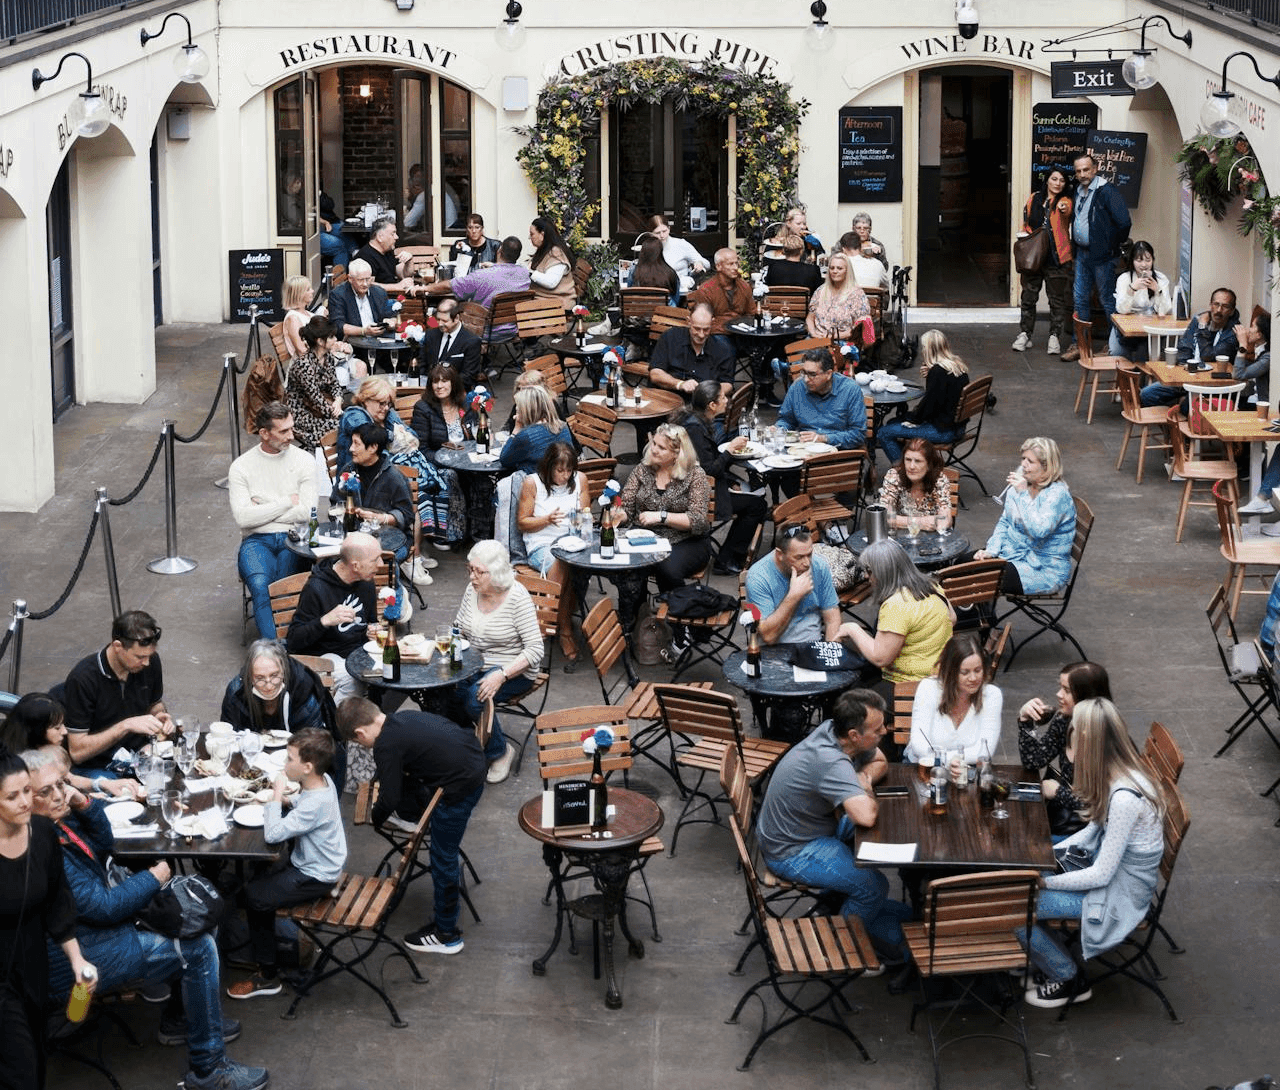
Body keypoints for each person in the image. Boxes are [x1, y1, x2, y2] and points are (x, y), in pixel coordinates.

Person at [23, 747, 268, 1090]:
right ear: (20, 797)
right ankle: (208, 1070)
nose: (58, 794)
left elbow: (105, 844)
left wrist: (84, 802)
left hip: (89, 935)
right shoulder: (41, 843)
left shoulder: (59, 818)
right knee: (198, 947)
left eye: (61, 784)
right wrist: (154, 877)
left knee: (197, 919)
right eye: (45, 791)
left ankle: (181, 1019)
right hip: (73, 961)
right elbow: (105, 907)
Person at [1018, 698, 1165, 1009]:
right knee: (1023, 880)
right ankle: (1049, 959)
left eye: (1074, 738)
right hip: (1109, 875)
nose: (1070, 748)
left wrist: (1044, 882)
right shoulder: (1119, 773)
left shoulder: (1124, 797)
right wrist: (1044, 855)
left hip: (1118, 896)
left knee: (1016, 905)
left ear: (1089, 743)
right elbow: (1092, 831)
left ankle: (1067, 976)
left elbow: (1101, 875)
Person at [754, 690, 913, 959]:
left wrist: (862, 777)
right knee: (873, 886)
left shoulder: (833, 731)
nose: (885, 731)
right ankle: (845, 949)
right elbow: (866, 816)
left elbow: (880, 761)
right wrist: (864, 790)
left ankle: (842, 904)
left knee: (877, 838)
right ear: (854, 735)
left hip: (807, 828)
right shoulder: (830, 761)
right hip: (792, 850)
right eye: (877, 729)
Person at [337, 699, 485, 956]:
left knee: (442, 856)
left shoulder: (386, 745)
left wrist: (376, 818)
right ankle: (446, 928)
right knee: (438, 842)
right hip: (471, 762)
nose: (362, 744)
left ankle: (446, 934)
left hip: (459, 789)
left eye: (359, 742)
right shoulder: (402, 717)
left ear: (359, 734)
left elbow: (390, 799)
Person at [0, 744, 97, 1090]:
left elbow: (57, 902)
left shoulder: (41, 834)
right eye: (13, 796)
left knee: (36, 1060)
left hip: (31, 964)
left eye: (28, 790)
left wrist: (76, 960)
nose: (26, 802)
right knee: (21, 1070)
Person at [227, 728, 347, 1000]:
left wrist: (276, 795)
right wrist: (287, 800)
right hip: (317, 863)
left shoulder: (314, 803)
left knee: (255, 897)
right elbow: (303, 805)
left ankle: (267, 975)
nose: (284, 765)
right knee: (259, 877)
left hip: (316, 874)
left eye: (289, 759)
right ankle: (258, 947)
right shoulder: (322, 780)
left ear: (307, 767)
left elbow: (273, 834)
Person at [613, 424, 713, 648]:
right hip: (646, 538)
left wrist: (661, 516)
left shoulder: (695, 476)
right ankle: (635, 623)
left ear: (677, 453)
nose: (653, 450)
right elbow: (627, 506)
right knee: (628, 568)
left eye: (661, 448)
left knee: (665, 566)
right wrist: (619, 514)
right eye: (654, 444)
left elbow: (697, 521)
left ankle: (682, 624)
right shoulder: (643, 469)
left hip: (688, 540)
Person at [452, 540, 543, 785]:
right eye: (470, 569)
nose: (472, 576)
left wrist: (501, 674)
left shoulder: (516, 597)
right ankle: (465, 747)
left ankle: (500, 752)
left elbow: (535, 650)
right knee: (440, 693)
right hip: (474, 663)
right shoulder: (472, 590)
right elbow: (458, 629)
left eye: (479, 571)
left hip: (513, 670)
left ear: (498, 572)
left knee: (475, 698)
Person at [229, 402, 317, 639]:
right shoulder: (241, 467)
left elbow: (308, 513)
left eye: (291, 428)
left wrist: (263, 506)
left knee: (281, 588)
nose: (291, 436)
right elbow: (243, 518)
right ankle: (278, 651)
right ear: (264, 434)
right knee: (260, 587)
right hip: (256, 541)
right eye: (283, 431)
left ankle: (278, 651)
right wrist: (288, 501)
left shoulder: (305, 460)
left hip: (296, 537)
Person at [838, 539, 954, 705]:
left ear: (884, 572)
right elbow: (952, 619)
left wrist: (852, 628)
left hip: (910, 686)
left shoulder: (896, 605)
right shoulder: (931, 585)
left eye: (869, 571)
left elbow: (880, 658)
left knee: (849, 706)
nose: (865, 576)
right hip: (941, 674)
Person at [675, 381, 768, 575]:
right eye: (723, 398)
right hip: (697, 495)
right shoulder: (695, 429)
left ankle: (731, 555)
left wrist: (729, 476)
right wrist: (731, 450)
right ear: (712, 405)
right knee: (757, 505)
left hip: (699, 484)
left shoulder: (696, 421)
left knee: (749, 490)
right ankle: (727, 559)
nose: (727, 401)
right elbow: (710, 469)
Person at [62, 610, 173, 772]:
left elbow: (154, 703)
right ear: (117, 647)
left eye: (150, 655)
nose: (147, 663)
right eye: (139, 657)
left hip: (141, 752)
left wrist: (158, 716)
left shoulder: (150, 662)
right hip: (100, 764)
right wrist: (125, 726)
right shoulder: (82, 679)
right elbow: (77, 752)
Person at [1017, 661, 1113, 837]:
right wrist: (1025, 720)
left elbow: (1103, 807)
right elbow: (1034, 760)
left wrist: (1058, 792)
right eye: (1060, 687)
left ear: (1086, 697)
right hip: (1065, 816)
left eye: (1067, 691)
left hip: (1089, 830)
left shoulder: (1104, 742)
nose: (1058, 694)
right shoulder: (1064, 720)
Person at [517, 442, 590, 667]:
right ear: (548, 467)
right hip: (542, 545)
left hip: (573, 543)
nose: (565, 475)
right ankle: (565, 629)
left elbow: (584, 515)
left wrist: (583, 520)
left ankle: (546, 617)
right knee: (563, 561)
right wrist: (546, 519)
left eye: (569, 470)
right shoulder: (533, 483)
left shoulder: (580, 480)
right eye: (560, 470)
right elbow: (522, 522)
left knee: (569, 562)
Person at [285, 532, 380, 702]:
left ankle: (376, 718)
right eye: (375, 560)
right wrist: (324, 621)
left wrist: (374, 630)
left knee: (395, 669)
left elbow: (371, 621)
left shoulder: (366, 582)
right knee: (352, 679)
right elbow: (293, 640)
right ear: (355, 566)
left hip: (359, 653)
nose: (380, 564)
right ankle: (335, 725)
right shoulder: (316, 589)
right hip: (326, 656)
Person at [974, 436, 1076, 594]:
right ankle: (982, 616)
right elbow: (1005, 522)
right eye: (1023, 459)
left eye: (1030, 461)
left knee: (973, 579)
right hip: (1012, 554)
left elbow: (1038, 531)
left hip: (1044, 569)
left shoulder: (1057, 495)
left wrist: (1023, 495)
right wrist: (991, 550)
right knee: (963, 565)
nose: (1023, 464)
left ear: (1046, 466)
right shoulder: (1023, 484)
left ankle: (982, 617)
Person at [0, 693, 143, 802]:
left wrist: (105, 784)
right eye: (57, 728)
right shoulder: (19, 769)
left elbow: (69, 778)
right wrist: (86, 798)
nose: (64, 731)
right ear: (37, 731)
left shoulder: (43, 747)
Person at [1062, 153, 1130, 363]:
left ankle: (1113, 345)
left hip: (1102, 257)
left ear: (1095, 168)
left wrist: (1109, 246)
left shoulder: (1107, 192)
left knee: (1107, 300)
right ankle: (1079, 344)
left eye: (1086, 169)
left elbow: (1124, 223)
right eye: (1078, 171)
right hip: (1082, 254)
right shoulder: (1078, 191)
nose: (1082, 174)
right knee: (1080, 299)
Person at [903, 633, 1003, 771]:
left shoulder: (991, 695)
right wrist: (951, 761)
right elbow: (919, 746)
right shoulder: (928, 688)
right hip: (924, 767)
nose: (973, 678)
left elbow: (984, 752)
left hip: (968, 770)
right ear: (951, 671)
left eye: (978, 670)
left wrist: (947, 759)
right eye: (965, 672)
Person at [1138, 287, 1242, 408]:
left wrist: (1202, 328)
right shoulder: (1197, 320)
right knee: (1146, 395)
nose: (1219, 310)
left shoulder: (1233, 332)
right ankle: (1172, 422)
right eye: (1216, 304)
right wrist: (1185, 366)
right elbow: (1183, 348)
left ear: (1232, 311)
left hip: (1212, 385)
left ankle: (1180, 413)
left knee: (1187, 407)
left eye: (1225, 306)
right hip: (1187, 376)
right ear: (1210, 305)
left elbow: (1208, 356)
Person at [220, 639, 339, 743]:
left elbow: (314, 743)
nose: (269, 686)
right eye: (259, 678)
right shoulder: (236, 692)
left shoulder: (303, 690)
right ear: (249, 676)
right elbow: (228, 737)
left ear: (284, 670)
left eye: (274, 675)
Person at [877, 329, 968, 462]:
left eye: (924, 347)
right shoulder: (956, 366)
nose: (923, 351)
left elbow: (929, 406)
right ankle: (914, 462)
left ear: (930, 350)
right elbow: (938, 398)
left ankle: (903, 472)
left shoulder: (938, 372)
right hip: (957, 427)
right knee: (893, 422)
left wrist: (911, 418)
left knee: (884, 432)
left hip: (943, 431)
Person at [409, 362, 475, 544]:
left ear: (453, 383)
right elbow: (420, 450)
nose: (439, 386)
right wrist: (447, 460)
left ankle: (478, 528)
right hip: (435, 465)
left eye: (444, 381)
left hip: (466, 460)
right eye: (435, 382)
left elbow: (476, 436)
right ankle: (453, 531)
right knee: (450, 475)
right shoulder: (423, 408)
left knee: (483, 479)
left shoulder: (466, 405)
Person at [1011, 169, 1074, 355]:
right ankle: (1025, 334)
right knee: (1028, 298)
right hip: (1034, 257)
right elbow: (1027, 222)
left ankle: (1054, 336)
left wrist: (1062, 208)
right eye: (1054, 179)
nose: (1057, 183)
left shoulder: (1065, 201)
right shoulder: (1034, 198)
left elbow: (1066, 209)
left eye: (1062, 180)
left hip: (1057, 258)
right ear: (1047, 180)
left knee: (1056, 300)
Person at [746, 524, 841, 645]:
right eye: (799, 557)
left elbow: (832, 618)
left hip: (811, 646)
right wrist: (793, 596)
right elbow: (768, 636)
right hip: (773, 652)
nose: (807, 563)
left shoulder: (819, 566)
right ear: (779, 555)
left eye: (810, 554)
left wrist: (832, 650)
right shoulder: (758, 577)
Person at [428, 236, 531, 344]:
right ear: (518, 255)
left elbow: (449, 285)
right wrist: (494, 267)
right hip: (511, 331)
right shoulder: (524, 274)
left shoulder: (482, 276)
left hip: (482, 331)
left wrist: (425, 287)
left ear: (499, 251)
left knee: (443, 312)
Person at [336, 422, 414, 561]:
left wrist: (380, 518)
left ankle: (392, 583)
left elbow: (407, 515)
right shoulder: (349, 471)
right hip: (354, 538)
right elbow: (336, 503)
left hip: (389, 538)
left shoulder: (394, 477)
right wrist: (347, 513)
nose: (351, 448)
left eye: (356, 444)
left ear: (373, 447)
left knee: (376, 560)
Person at [778, 347, 867, 450]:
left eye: (812, 374)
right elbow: (786, 420)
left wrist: (824, 438)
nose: (806, 379)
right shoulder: (798, 386)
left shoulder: (850, 390)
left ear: (828, 374)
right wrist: (778, 430)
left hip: (838, 451)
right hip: (803, 449)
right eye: (804, 373)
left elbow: (858, 434)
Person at [647, 301, 734, 399]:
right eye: (696, 329)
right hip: (668, 397)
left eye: (706, 329)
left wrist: (707, 393)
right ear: (689, 322)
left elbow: (728, 383)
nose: (701, 335)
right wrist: (679, 384)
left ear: (712, 323)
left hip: (702, 404)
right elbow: (655, 373)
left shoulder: (723, 349)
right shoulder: (670, 337)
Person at [286, 316, 345, 452]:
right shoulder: (303, 365)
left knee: (347, 422)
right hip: (302, 414)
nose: (335, 340)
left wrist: (338, 400)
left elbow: (335, 384)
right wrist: (339, 413)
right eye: (331, 337)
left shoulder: (328, 357)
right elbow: (316, 398)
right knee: (343, 425)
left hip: (323, 408)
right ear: (320, 341)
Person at [1108, 240, 1172, 360]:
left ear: (1153, 260)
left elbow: (1167, 311)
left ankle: (1139, 377)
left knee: (1143, 353)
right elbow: (1121, 310)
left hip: (1151, 329)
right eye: (1139, 260)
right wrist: (1132, 289)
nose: (1144, 265)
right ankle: (1130, 377)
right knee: (1119, 355)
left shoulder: (1161, 278)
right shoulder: (1124, 279)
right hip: (1127, 329)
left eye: (1148, 260)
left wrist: (1158, 291)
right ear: (1132, 261)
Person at [877, 438, 953, 532]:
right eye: (908, 460)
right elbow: (883, 515)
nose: (911, 466)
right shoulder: (894, 476)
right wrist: (919, 522)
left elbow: (946, 518)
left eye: (918, 461)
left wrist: (942, 521)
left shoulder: (939, 480)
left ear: (929, 465)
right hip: (900, 537)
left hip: (930, 539)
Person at [500, 385, 575, 476]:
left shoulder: (527, 435)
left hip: (536, 485)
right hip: (562, 481)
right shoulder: (563, 426)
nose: (515, 413)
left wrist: (517, 428)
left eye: (518, 409)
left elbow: (505, 460)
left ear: (526, 410)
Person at [418, 298, 482, 388]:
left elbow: (469, 376)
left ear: (456, 318)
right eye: (438, 319)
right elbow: (422, 364)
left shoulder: (471, 341)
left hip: (456, 391)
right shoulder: (431, 335)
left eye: (444, 321)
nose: (440, 324)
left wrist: (443, 386)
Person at [688, 247, 753, 335]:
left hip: (742, 333)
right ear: (719, 266)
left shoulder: (744, 286)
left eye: (736, 263)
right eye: (730, 264)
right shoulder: (706, 290)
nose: (735, 267)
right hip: (716, 334)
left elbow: (751, 313)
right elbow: (703, 321)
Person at [806, 253, 871, 341]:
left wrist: (831, 337)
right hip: (817, 339)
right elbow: (810, 318)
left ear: (847, 271)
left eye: (839, 268)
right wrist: (813, 333)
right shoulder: (820, 291)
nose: (834, 271)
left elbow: (858, 329)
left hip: (842, 342)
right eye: (832, 268)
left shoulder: (857, 294)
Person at [328, 258, 393, 341]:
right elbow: (338, 325)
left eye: (368, 279)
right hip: (354, 341)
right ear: (350, 279)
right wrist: (364, 331)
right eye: (361, 280)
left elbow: (389, 315)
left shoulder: (379, 292)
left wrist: (391, 322)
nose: (365, 284)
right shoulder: (338, 295)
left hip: (379, 340)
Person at [645, 214, 709, 293]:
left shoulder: (680, 244)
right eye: (657, 233)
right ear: (650, 234)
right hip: (656, 289)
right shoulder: (648, 248)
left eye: (664, 231)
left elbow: (707, 264)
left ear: (669, 228)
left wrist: (699, 263)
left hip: (680, 289)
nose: (662, 236)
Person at [352, 215, 413, 292]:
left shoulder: (388, 251)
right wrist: (397, 286)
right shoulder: (365, 257)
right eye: (392, 234)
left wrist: (409, 261)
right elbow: (367, 285)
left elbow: (404, 275)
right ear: (380, 237)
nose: (396, 237)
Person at [528, 217, 576, 311]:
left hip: (558, 302)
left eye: (532, 234)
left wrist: (529, 273)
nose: (530, 238)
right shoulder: (545, 251)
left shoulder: (556, 253)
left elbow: (551, 282)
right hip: (546, 299)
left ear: (542, 235)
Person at [281, 275, 325, 360]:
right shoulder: (292, 318)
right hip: (307, 366)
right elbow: (302, 351)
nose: (312, 291)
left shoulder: (307, 313)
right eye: (308, 289)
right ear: (299, 295)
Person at [627, 233, 679, 304]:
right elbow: (676, 298)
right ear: (660, 252)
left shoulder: (635, 271)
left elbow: (629, 292)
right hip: (663, 313)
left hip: (639, 312)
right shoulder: (670, 272)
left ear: (642, 252)